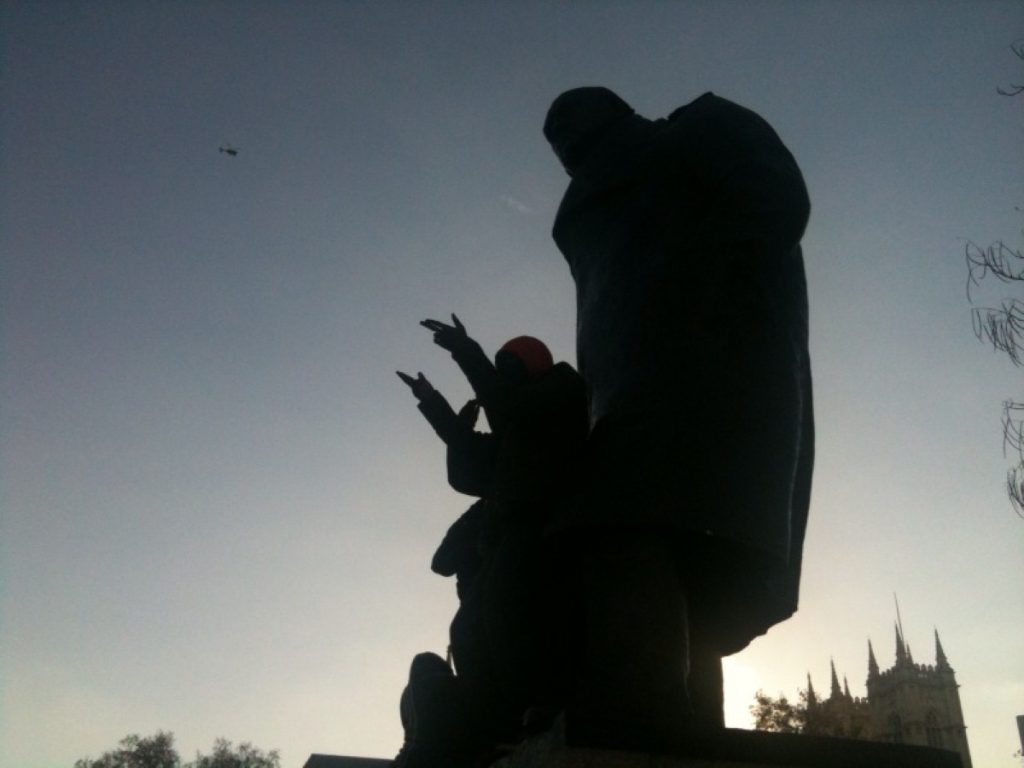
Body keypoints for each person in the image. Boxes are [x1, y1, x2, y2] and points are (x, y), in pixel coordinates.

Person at [543, 87, 814, 746]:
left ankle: (651, 725)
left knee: (632, 532)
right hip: (627, 397)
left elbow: (775, 202)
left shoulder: (704, 126)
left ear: (617, 117)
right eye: (566, 154)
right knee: (655, 552)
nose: (575, 159)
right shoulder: (586, 208)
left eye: (579, 140)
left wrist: (696, 296)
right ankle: (668, 725)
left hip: (713, 384)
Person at [396, 315, 588, 753]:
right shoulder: (515, 426)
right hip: (506, 530)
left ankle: (539, 699)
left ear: (532, 365)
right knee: (467, 627)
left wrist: (466, 351)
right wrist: (433, 403)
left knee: (511, 611)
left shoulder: (561, 390)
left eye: (511, 367)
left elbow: (510, 409)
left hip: (542, 522)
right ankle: (493, 718)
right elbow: (473, 456)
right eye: (499, 369)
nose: (502, 376)